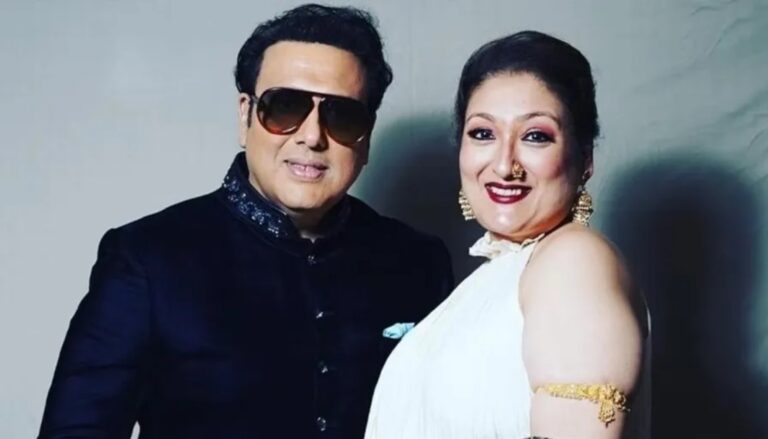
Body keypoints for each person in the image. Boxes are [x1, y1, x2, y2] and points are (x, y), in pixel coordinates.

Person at [38, 4, 454, 438]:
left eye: (341, 115)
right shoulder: (147, 260)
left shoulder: (419, 263)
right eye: (285, 107)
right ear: (245, 116)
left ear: (365, 138)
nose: (312, 136)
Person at [365, 30, 650, 439]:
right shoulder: (497, 280)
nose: (503, 165)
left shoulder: (574, 260)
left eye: (536, 136)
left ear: (585, 159)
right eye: (483, 133)